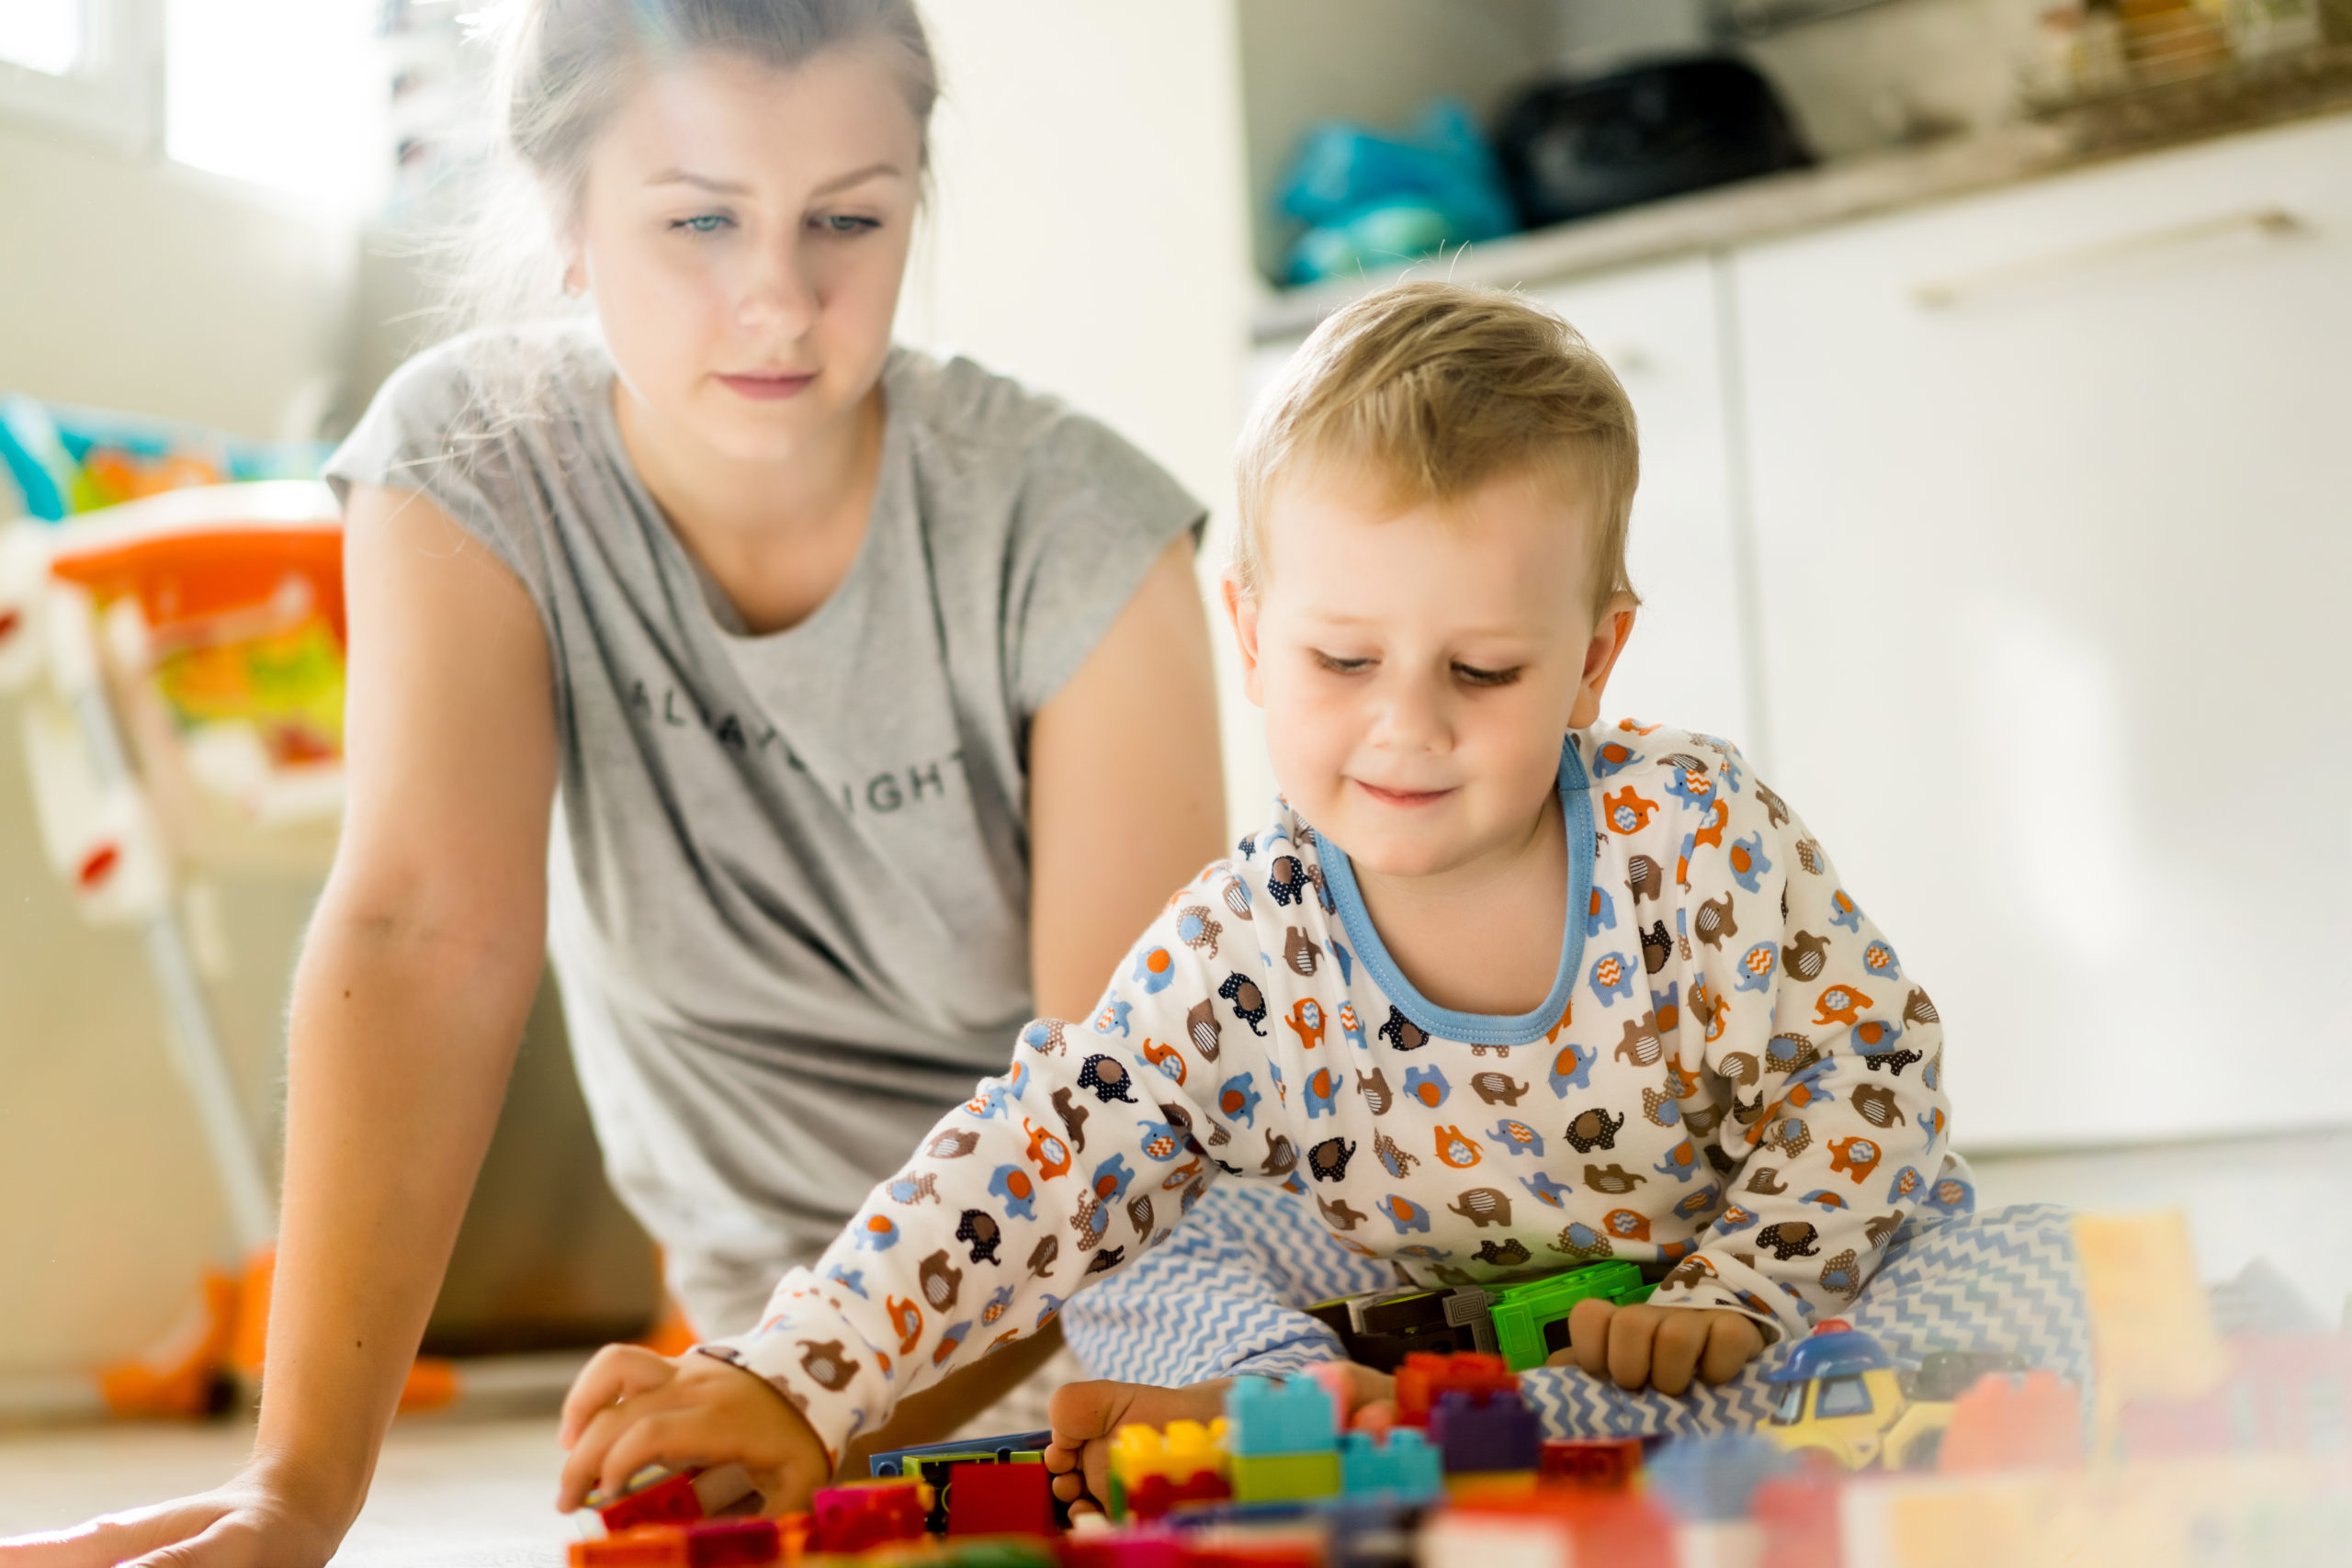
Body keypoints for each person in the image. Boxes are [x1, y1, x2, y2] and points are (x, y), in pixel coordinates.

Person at [5, 3, 1224, 1564]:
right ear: (568, 219)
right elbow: (422, 938)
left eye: (849, 217)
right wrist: (294, 1489)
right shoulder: (471, 457)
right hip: (748, 1390)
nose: (779, 298)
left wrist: (810, 1389)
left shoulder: (1084, 529)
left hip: (1097, 1368)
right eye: (701, 220)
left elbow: (1125, 1113)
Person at [548, 280, 1972, 1516]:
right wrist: (795, 1381)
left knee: (1999, 1289)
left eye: (1482, 674)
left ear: (1594, 662)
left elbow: (1871, 1074)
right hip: (1419, 1334)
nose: (1405, 731)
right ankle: (1291, 1404)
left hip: (1733, 1312)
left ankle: (1346, 1437)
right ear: (1249, 633)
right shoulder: (1246, 940)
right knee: (1132, 1257)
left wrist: (1744, 1290)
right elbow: (1036, 1157)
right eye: (1341, 663)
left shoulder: (1692, 838)